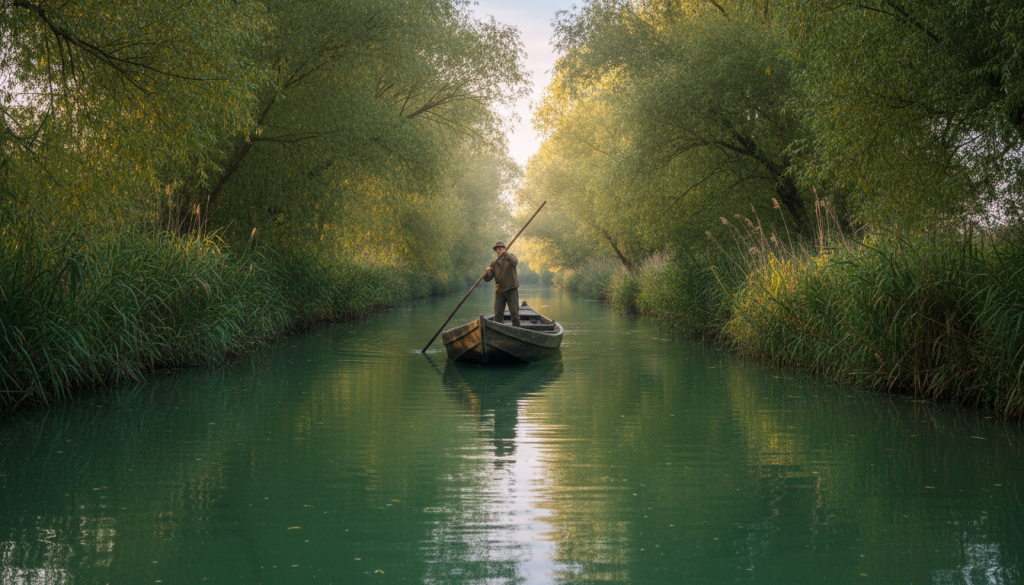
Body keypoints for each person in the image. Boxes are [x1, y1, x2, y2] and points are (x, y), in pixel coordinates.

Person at [483, 240, 520, 327]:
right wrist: (487, 272)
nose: (500, 250)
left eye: (502, 248)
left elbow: (515, 262)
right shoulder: (494, 264)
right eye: (498, 249)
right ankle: (499, 330)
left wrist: (506, 255)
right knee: (498, 313)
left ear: (505, 249)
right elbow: (488, 279)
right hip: (499, 290)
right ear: (496, 251)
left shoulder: (510, 257)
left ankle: (517, 330)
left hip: (511, 289)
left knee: (514, 312)